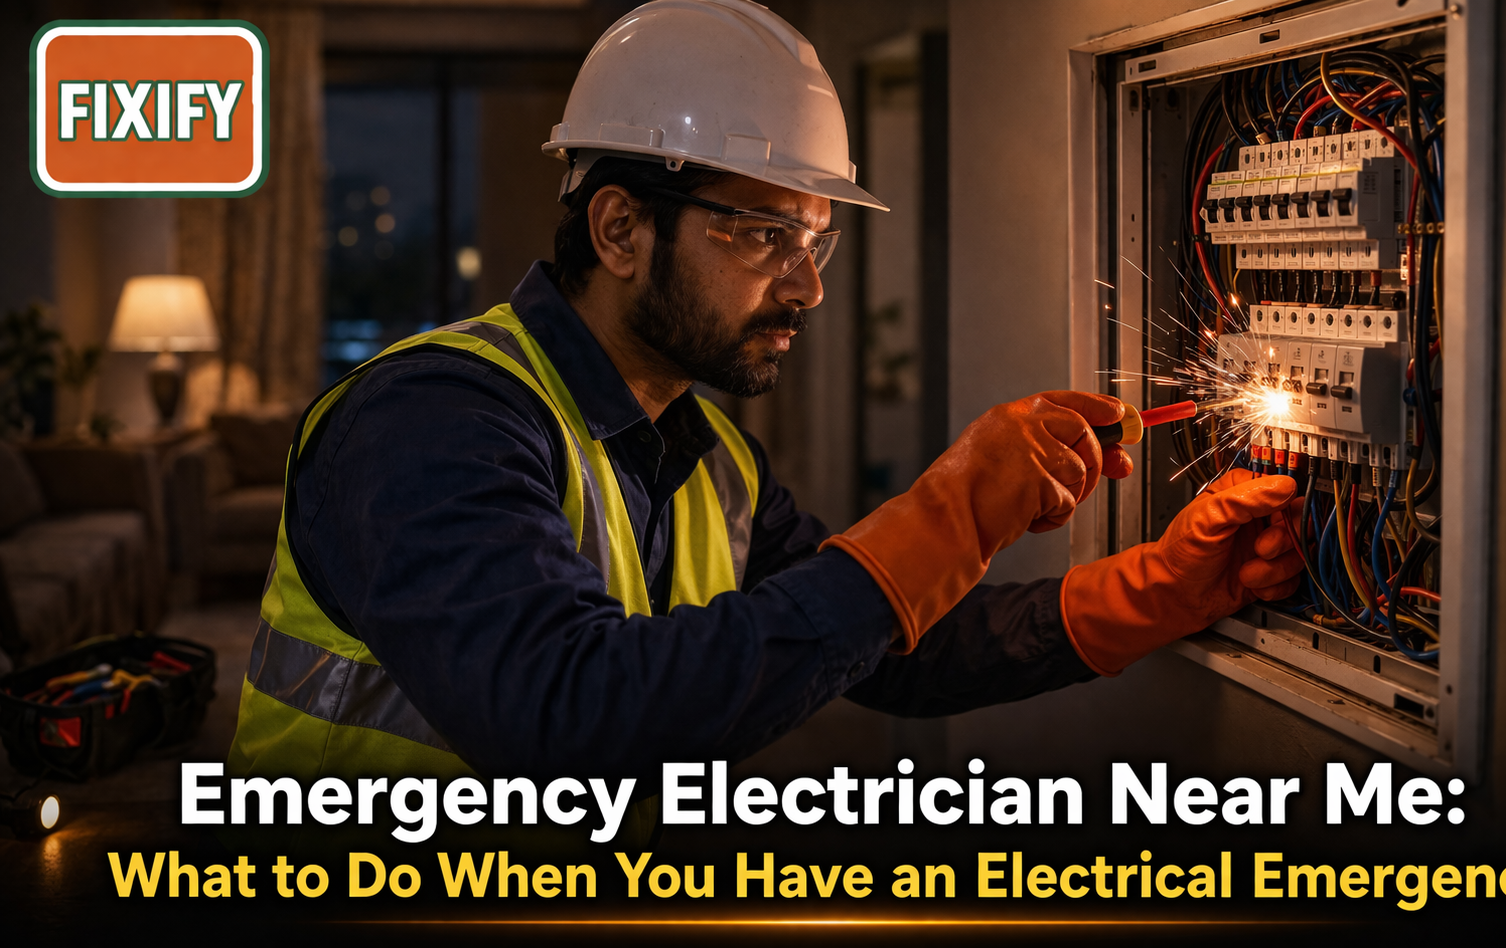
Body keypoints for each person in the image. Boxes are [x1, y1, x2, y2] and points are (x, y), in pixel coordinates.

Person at [226, 0, 1303, 823]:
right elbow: (560, 714)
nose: (808, 286)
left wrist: (1155, 591)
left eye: (816, 238)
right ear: (617, 229)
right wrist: (951, 511)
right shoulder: (437, 419)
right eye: (761, 236)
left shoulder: (708, 459)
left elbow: (887, 648)